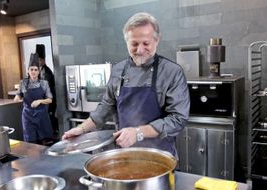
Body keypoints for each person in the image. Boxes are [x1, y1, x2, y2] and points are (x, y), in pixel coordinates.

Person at [63, 12, 190, 157]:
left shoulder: (172, 72)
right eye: (134, 44)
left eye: (146, 43)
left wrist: (138, 133)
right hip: (126, 154)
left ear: (157, 40)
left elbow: (178, 119)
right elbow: (106, 106)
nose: (140, 50)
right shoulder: (118, 70)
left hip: (160, 156)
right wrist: (82, 129)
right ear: (126, 42)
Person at [14, 53, 53, 144]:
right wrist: (17, 98)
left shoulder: (44, 83)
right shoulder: (23, 83)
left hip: (41, 117)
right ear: (28, 71)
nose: (33, 72)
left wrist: (39, 101)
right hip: (28, 116)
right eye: (31, 69)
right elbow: (18, 95)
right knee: (30, 142)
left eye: (36, 70)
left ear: (38, 72)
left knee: (44, 142)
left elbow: (50, 99)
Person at [36, 44, 58, 136]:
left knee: (49, 118)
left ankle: (51, 135)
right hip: (42, 100)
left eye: (39, 60)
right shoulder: (38, 70)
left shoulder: (47, 72)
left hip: (49, 101)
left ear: (43, 60)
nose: (38, 62)